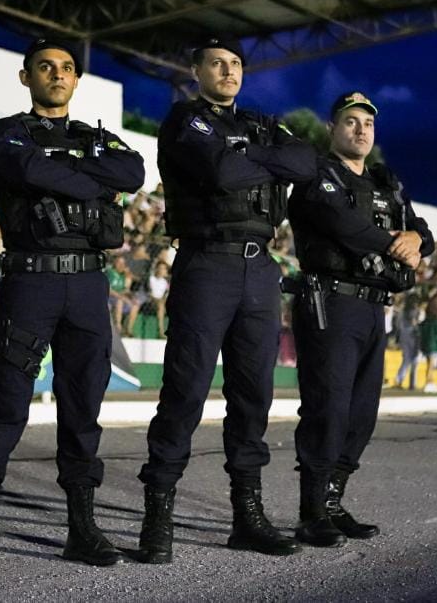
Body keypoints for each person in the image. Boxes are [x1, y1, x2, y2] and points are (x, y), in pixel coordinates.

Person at [0, 38, 144, 574]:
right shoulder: (9, 131)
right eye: (45, 67)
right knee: (6, 406)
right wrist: (90, 177)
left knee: (83, 410)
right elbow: (31, 170)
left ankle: (81, 531)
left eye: (66, 68)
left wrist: (70, 165)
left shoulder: (94, 137)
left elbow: (132, 174)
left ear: (76, 80)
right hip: (30, 283)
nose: (57, 74)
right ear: (27, 77)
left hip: (87, 286)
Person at [137, 36, 316, 563]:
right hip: (206, 262)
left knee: (253, 396)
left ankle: (247, 516)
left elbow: (306, 161)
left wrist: (248, 153)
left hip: (260, 267)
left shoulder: (260, 124)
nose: (228, 71)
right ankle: (158, 514)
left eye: (236, 63)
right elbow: (221, 172)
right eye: (217, 63)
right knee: (186, 391)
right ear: (196, 70)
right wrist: (265, 159)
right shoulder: (185, 120)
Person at [286, 91, 433, 547]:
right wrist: (396, 244)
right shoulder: (317, 175)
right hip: (331, 302)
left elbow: (423, 233)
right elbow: (342, 223)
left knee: (361, 413)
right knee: (328, 408)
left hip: (372, 307)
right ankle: (311, 512)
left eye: (368, 123)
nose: (361, 130)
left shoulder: (386, 183)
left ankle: (333, 501)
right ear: (333, 128)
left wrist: (415, 239)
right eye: (350, 121)